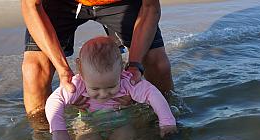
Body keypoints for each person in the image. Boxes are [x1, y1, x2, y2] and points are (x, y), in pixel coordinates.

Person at [21, 0, 174, 117]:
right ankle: (42, 136)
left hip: (120, 2)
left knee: (158, 65)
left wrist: (134, 67)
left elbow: (150, 8)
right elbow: (31, 6)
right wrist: (63, 71)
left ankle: (165, 123)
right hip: (59, 3)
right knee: (34, 70)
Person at [45, 36, 177, 140]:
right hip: (89, 124)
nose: (103, 94)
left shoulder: (128, 82)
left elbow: (153, 94)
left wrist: (167, 122)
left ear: (121, 70)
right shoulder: (77, 84)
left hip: (121, 124)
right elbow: (55, 100)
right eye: (95, 88)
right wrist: (58, 129)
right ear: (81, 73)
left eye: (111, 86)